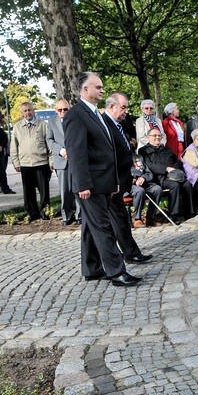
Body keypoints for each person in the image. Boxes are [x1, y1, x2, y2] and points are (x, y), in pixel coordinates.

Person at [64, 71, 141, 287]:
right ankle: (116, 271)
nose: (102, 90)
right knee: (102, 227)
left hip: (103, 181)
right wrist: (82, 184)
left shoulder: (95, 114)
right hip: (90, 184)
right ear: (85, 89)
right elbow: (77, 152)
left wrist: (113, 179)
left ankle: (92, 268)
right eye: (97, 87)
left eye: (101, 87)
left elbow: (106, 148)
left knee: (91, 226)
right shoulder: (75, 115)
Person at [102, 93, 153, 264]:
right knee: (118, 219)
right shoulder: (105, 124)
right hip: (112, 180)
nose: (126, 111)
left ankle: (130, 252)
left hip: (123, 178)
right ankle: (126, 254)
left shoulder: (120, 123)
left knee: (121, 218)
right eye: (123, 107)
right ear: (111, 106)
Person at [138, 127, 193, 224]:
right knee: (174, 185)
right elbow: (149, 166)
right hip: (157, 179)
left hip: (172, 176)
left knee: (187, 184)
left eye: (159, 135)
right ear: (148, 137)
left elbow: (177, 162)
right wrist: (166, 169)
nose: (157, 137)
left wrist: (175, 170)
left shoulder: (167, 149)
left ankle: (189, 212)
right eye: (154, 135)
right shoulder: (143, 150)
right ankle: (174, 215)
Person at [11, 102, 52, 221]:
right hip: (25, 164)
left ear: (33, 111)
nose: (28, 113)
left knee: (44, 190)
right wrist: (16, 162)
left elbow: (48, 144)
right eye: (25, 111)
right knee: (28, 191)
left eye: (29, 110)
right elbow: (14, 147)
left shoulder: (43, 125)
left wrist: (51, 161)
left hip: (41, 162)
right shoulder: (17, 127)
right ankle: (32, 213)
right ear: (22, 113)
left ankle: (45, 212)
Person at [46, 99, 81, 224]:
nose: (62, 112)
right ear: (56, 110)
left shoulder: (76, 120)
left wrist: (73, 150)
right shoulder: (51, 122)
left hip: (76, 159)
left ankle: (79, 215)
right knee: (65, 190)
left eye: (65, 109)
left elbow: (80, 137)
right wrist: (61, 151)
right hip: (61, 161)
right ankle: (66, 215)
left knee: (78, 188)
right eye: (60, 110)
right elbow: (49, 140)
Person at [129, 152, 162, 228]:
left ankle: (150, 218)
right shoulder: (119, 157)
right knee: (139, 191)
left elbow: (149, 173)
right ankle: (137, 218)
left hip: (143, 183)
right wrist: (132, 179)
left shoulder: (138, 157)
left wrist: (143, 178)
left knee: (157, 189)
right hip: (129, 185)